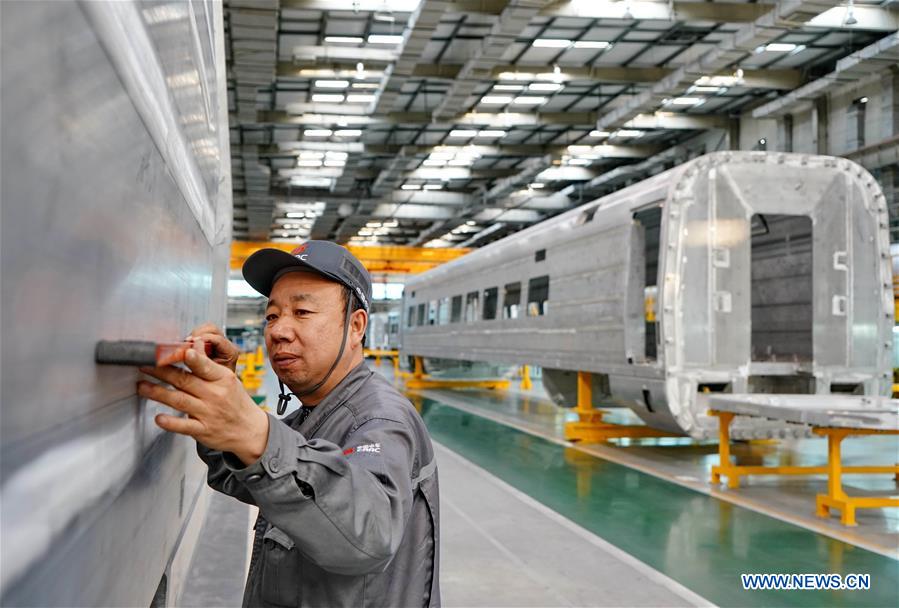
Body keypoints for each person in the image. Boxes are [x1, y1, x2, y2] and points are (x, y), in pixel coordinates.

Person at [138, 241, 440, 607]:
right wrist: (226, 407)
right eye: (272, 316)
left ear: (356, 326)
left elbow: (370, 535)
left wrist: (257, 434)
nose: (279, 330)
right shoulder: (311, 415)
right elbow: (236, 475)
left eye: (302, 312)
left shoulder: (379, 420)